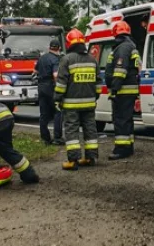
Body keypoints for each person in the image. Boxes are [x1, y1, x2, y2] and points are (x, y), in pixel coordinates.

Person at [55, 29, 102, 170]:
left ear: (69, 43)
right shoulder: (92, 59)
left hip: (71, 105)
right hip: (89, 103)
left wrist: (57, 98)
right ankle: (90, 158)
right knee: (90, 129)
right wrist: (94, 96)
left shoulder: (67, 59)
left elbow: (61, 83)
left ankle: (73, 160)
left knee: (72, 131)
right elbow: (98, 83)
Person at [104, 20, 140, 159]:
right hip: (128, 90)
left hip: (123, 90)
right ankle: (128, 146)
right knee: (127, 119)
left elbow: (120, 70)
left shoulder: (123, 48)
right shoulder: (130, 46)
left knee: (120, 119)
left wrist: (114, 89)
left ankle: (121, 149)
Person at [35, 38, 63, 145]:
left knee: (43, 114)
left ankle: (45, 138)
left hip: (41, 87)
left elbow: (35, 71)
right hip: (51, 87)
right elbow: (55, 75)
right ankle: (57, 138)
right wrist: (59, 88)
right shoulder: (56, 59)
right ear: (59, 48)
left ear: (49, 47)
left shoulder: (42, 58)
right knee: (58, 111)